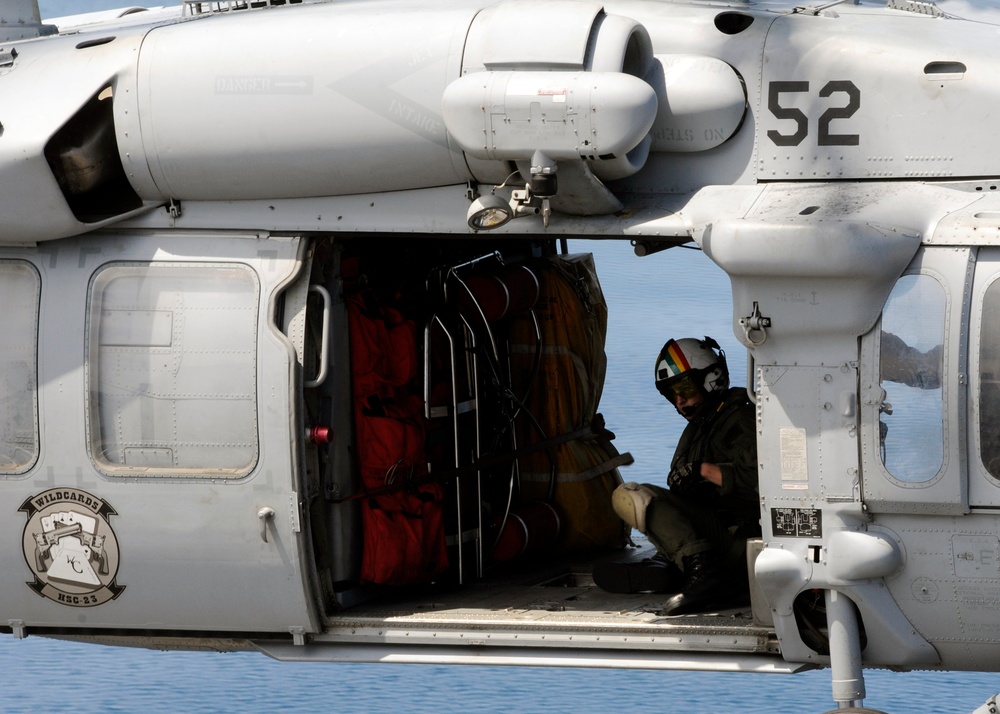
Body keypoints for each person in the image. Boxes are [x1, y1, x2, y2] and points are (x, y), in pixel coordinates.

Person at [593, 336, 760, 615]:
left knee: (634, 495)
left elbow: (767, 485)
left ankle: (705, 573)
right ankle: (674, 565)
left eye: (684, 388)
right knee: (644, 498)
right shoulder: (704, 426)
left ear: (712, 378)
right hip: (725, 538)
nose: (680, 401)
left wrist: (706, 472)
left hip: (745, 541)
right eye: (672, 393)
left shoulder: (740, 419)